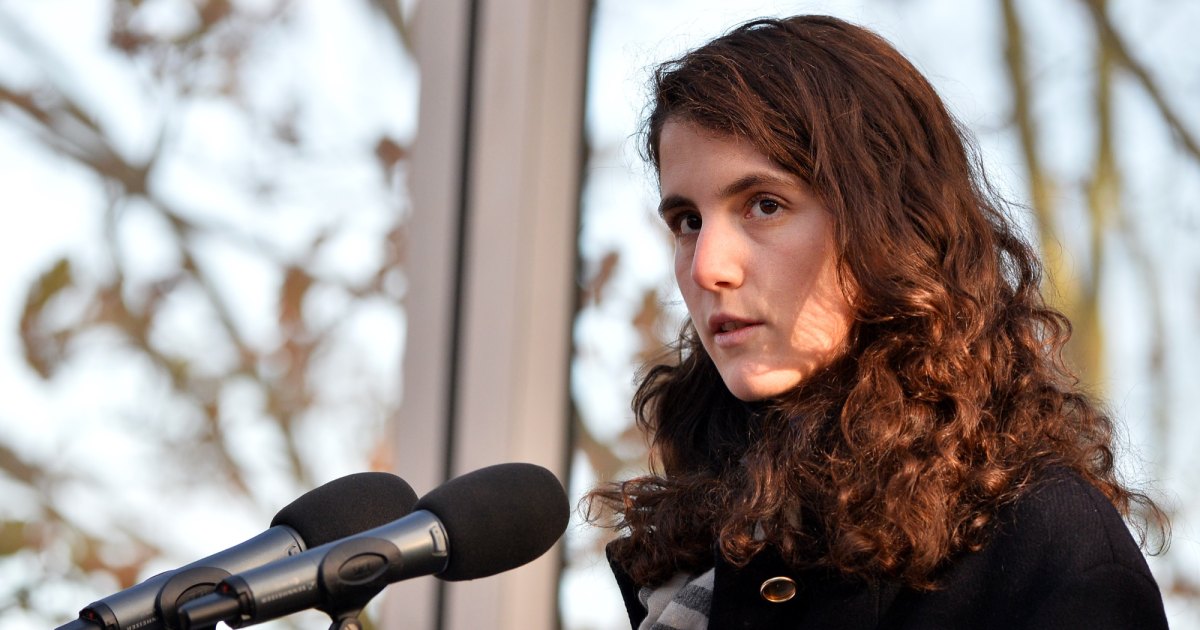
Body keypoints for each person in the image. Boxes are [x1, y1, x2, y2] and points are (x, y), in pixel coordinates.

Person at [588, 15, 1169, 630]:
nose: (708, 267)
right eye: (688, 221)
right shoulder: (700, 548)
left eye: (765, 205)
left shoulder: (1048, 551)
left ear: (890, 225)